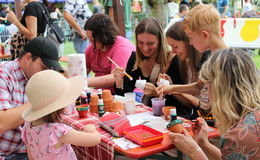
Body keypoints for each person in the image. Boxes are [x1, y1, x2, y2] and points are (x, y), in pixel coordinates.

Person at [169, 48, 260, 159]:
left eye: (206, 87)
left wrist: (194, 151)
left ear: (220, 90)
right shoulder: (251, 116)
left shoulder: (239, 136)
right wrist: (204, 144)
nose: (207, 94)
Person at [113, 17, 192, 118]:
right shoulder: (136, 58)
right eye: (140, 43)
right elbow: (126, 95)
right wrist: (119, 82)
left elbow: (186, 103)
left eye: (150, 43)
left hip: (174, 116)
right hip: (149, 114)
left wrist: (158, 93)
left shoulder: (174, 59)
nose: (145, 48)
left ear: (161, 41)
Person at [0, 37, 64, 159]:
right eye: (44, 68)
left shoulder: (36, 78)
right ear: (28, 58)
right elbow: (2, 123)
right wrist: (41, 100)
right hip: (5, 154)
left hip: (29, 149)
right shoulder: (3, 74)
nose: (46, 74)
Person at [158, 4, 228, 111]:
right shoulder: (209, 58)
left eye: (191, 38)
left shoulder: (228, 61)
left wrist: (172, 88)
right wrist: (170, 88)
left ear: (205, 35)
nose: (190, 42)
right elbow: (197, 87)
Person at [21, 70, 101, 159]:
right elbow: (95, 139)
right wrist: (91, 129)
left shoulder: (27, 126)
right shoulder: (58, 131)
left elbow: (31, 155)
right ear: (59, 108)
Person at [85, 13, 135, 93]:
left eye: (93, 40)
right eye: (89, 39)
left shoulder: (122, 47)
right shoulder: (94, 47)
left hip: (122, 95)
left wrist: (84, 82)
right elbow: (84, 69)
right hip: (101, 94)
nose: (90, 43)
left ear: (103, 36)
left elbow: (114, 78)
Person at [165, 21, 201, 110]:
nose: (173, 51)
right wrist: (171, 87)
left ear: (188, 41)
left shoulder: (204, 62)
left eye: (175, 46)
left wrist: (174, 89)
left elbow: (202, 105)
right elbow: (190, 105)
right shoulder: (184, 62)